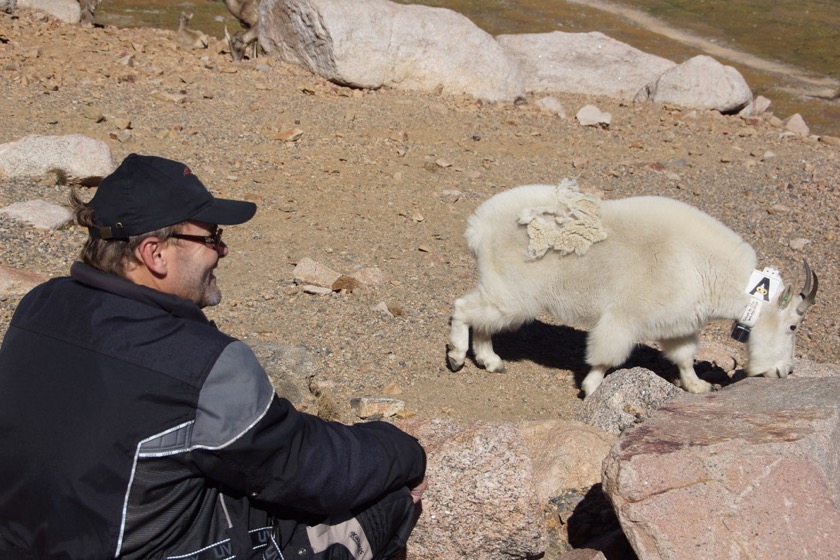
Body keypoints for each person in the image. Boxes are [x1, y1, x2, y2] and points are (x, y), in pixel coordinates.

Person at [0, 154, 427, 559]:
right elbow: (308, 465)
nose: (222, 251)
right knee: (387, 504)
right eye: (211, 238)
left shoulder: (40, 305)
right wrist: (402, 449)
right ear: (154, 253)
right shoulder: (200, 363)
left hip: (29, 541)